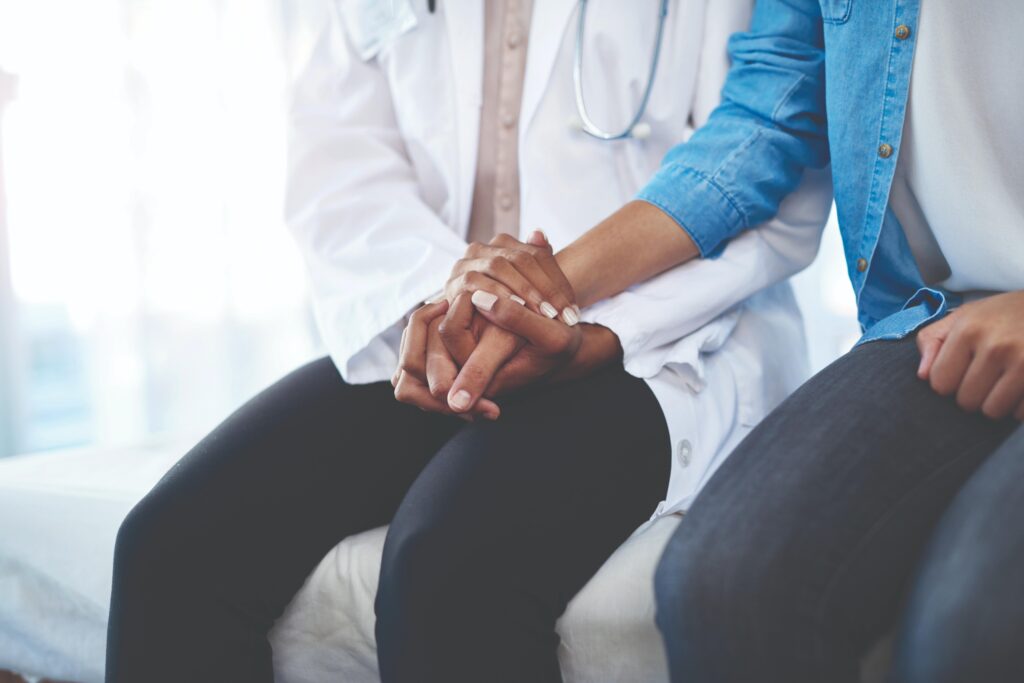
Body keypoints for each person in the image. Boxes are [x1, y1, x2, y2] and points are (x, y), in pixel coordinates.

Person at [103, 1, 832, 682]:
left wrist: (589, 325)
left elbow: (777, 159)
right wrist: (450, 306)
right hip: (437, 315)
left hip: (660, 332)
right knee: (169, 550)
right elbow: (341, 159)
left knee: (447, 566)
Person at [460, 1, 1023, 681]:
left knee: (972, 632)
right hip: (931, 319)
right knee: (723, 587)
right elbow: (770, 112)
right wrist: (540, 292)